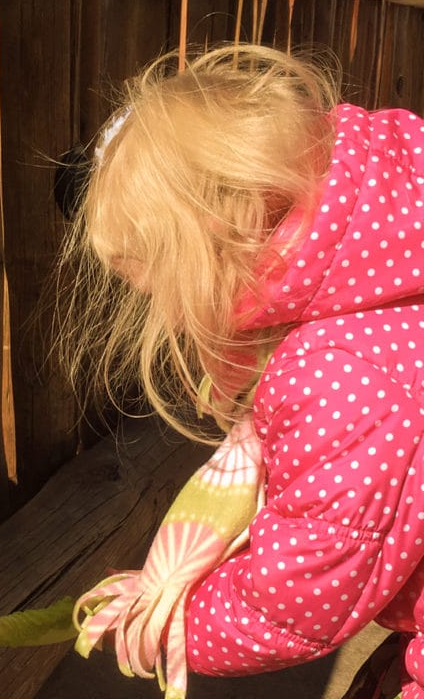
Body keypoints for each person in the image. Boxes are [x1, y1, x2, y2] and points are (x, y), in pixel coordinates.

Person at [55, 44, 424, 697]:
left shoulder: (341, 378)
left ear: (219, 245)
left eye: (155, 284)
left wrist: (162, 622)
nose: (164, 315)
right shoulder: (390, 251)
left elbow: (292, 605)